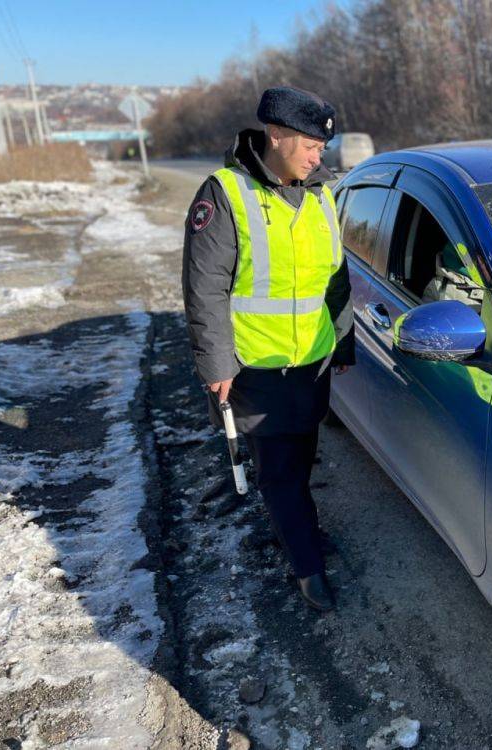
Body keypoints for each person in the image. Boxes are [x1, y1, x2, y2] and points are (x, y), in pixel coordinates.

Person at [181, 86, 354, 611]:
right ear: (276, 135)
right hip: (255, 370)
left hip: (310, 365)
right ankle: (307, 567)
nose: (318, 155)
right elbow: (204, 287)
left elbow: (336, 278)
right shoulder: (225, 194)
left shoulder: (321, 193)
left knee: (300, 461)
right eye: (309, 145)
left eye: (322, 147)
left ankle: (296, 530)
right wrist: (216, 366)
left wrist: (344, 344)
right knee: (279, 472)